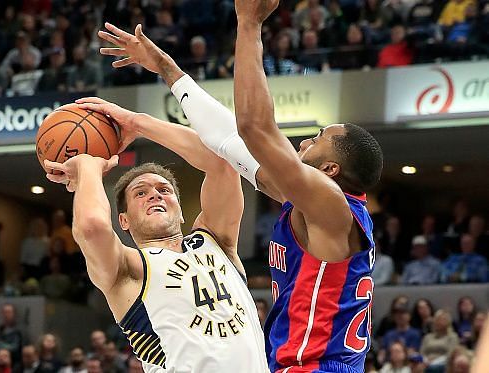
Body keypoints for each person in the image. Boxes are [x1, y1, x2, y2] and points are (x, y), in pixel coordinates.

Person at [96, 10, 383, 370]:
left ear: (330, 170)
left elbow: (253, 128)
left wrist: (249, 24)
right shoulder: (312, 204)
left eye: (321, 137)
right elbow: (228, 144)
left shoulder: (330, 205)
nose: (309, 138)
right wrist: (164, 75)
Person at [48, 61, 268, 373]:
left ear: (179, 210)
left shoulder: (215, 241)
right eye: (140, 193)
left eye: (164, 190)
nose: (155, 194)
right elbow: (93, 227)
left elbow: (222, 162)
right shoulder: (128, 268)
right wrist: (88, 169)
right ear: (123, 221)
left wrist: (138, 123)